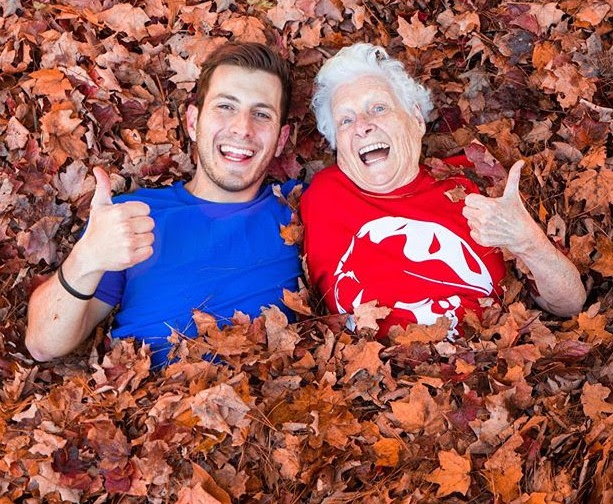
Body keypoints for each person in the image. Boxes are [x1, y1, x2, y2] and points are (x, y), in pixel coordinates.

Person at [26, 42, 302, 366]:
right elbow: (42, 345)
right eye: (226, 106)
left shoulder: (302, 207)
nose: (242, 127)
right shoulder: (135, 214)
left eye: (261, 114)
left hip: (262, 403)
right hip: (148, 406)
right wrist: (87, 257)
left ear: (281, 139)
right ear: (192, 121)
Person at [301, 43, 586, 338]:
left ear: (416, 118)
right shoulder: (321, 198)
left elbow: (570, 305)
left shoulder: (471, 181)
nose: (362, 126)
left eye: (378, 108)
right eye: (346, 120)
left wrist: (529, 242)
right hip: (370, 374)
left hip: (483, 367)